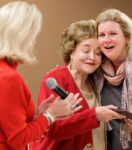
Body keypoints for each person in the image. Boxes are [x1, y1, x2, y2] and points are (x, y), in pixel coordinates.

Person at [30, 19, 124, 150]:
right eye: (86, 51)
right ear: (71, 51)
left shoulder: (98, 81)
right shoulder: (55, 79)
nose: (92, 57)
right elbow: (52, 129)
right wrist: (94, 115)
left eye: (98, 53)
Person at [0, 1, 83, 150]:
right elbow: (18, 139)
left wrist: (37, 116)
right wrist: (50, 115)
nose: (34, 43)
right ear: (21, 36)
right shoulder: (8, 78)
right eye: (33, 36)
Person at [95, 8, 132, 150]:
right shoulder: (96, 74)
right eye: (101, 35)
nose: (106, 40)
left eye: (113, 33)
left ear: (127, 37)